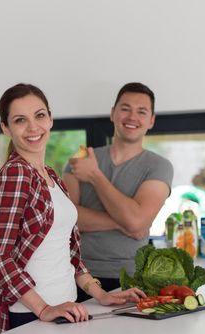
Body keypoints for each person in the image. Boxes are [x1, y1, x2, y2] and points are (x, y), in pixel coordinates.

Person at [0, 83, 145, 334]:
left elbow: (68, 252)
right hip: (31, 313)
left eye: (39, 115)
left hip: (66, 307)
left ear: (50, 119)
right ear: (6, 128)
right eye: (20, 120)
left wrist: (101, 295)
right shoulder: (15, 173)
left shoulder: (51, 175)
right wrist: (43, 308)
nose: (33, 127)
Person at [63, 82, 173, 301]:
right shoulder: (81, 157)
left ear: (151, 120)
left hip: (131, 278)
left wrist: (95, 175)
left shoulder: (159, 166)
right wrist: (125, 223)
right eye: (125, 108)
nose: (132, 117)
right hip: (79, 276)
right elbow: (66, 219)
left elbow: (136, 221)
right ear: (113, 113)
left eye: (141, 111)